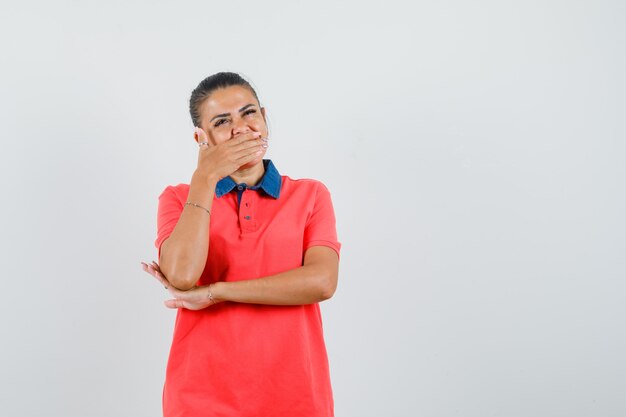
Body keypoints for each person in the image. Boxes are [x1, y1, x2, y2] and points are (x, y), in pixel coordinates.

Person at [140, 72, 341, 417]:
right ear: (202, 138)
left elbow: (321, 283)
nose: (241, 128)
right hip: (200, 398)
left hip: (296, 396)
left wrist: (217, 292)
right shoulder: (178, 199)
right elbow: (182, 276)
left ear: (264, 116)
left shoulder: (310, 195)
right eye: (222, 122)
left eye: (249, 113)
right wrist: (204, 178)